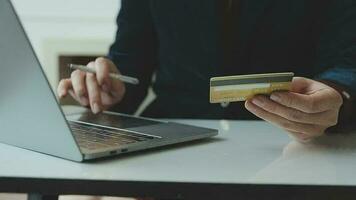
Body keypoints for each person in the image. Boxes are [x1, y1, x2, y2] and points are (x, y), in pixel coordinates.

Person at [58, 0, 355, 143]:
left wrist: (336, 95)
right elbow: (130, 60)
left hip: (288, 140)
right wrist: (109, 86)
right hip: (171, 142)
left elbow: (345, 63)